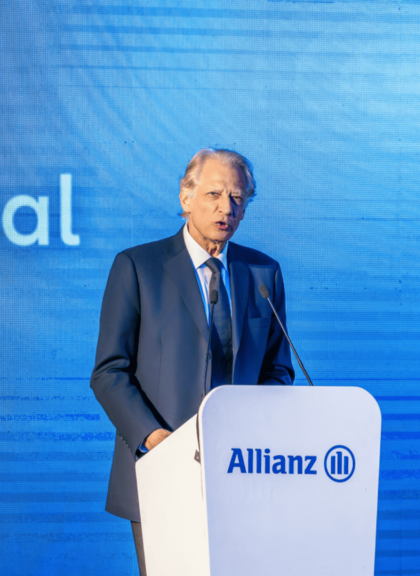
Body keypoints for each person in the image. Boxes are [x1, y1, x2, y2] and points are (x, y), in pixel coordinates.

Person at [90, 149, 294, 574]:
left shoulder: (263, 273)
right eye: (215, 194)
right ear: (186, 198)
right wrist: (155, 440)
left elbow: (277, 370)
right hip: (163, 468)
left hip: (244, 471)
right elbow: (110, 371)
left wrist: (255, 428)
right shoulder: (138, 267)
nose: (227, 208)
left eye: (238, 198)